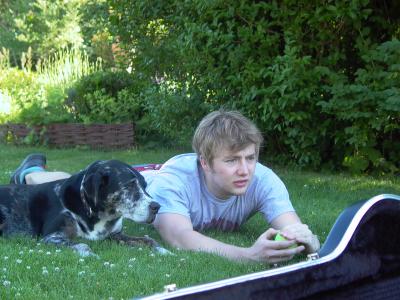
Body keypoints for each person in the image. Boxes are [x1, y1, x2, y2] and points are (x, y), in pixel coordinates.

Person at [9, 110, 320, 264]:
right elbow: (181, 238)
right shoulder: (173, 182)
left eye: (250, 158)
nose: (245, 170)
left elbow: (292, 225)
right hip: (149, 177)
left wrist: (304, 239)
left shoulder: (262, 178)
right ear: (205, 162)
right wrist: (248, 255)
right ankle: (30, 172)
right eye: (232, 160)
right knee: (70, 183)